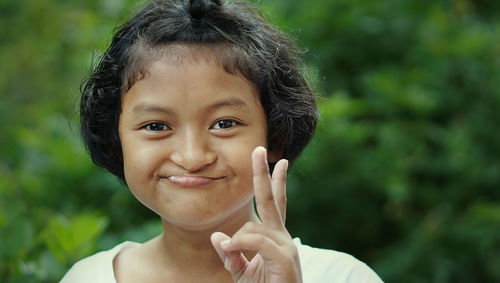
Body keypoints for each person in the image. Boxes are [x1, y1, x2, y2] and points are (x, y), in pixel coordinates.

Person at [60, 0, 383, 282]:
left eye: (224, 123)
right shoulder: (87, 278)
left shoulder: (342, 277)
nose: (192, 156)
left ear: (275, 135)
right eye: (156, 125)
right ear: (116, 138)